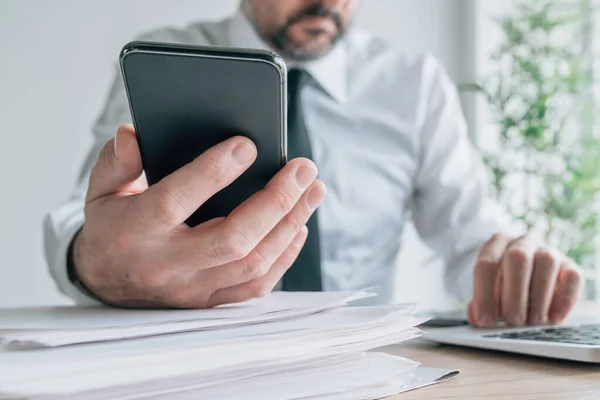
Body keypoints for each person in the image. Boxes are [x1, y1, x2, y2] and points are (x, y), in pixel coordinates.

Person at [44, 0, 582, 327]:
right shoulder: (164, 59)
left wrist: (514, 262)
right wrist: (94, 262)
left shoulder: (413, 86)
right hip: (195, 367)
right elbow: (85, 214)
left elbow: (472, 242)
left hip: (360, 375)